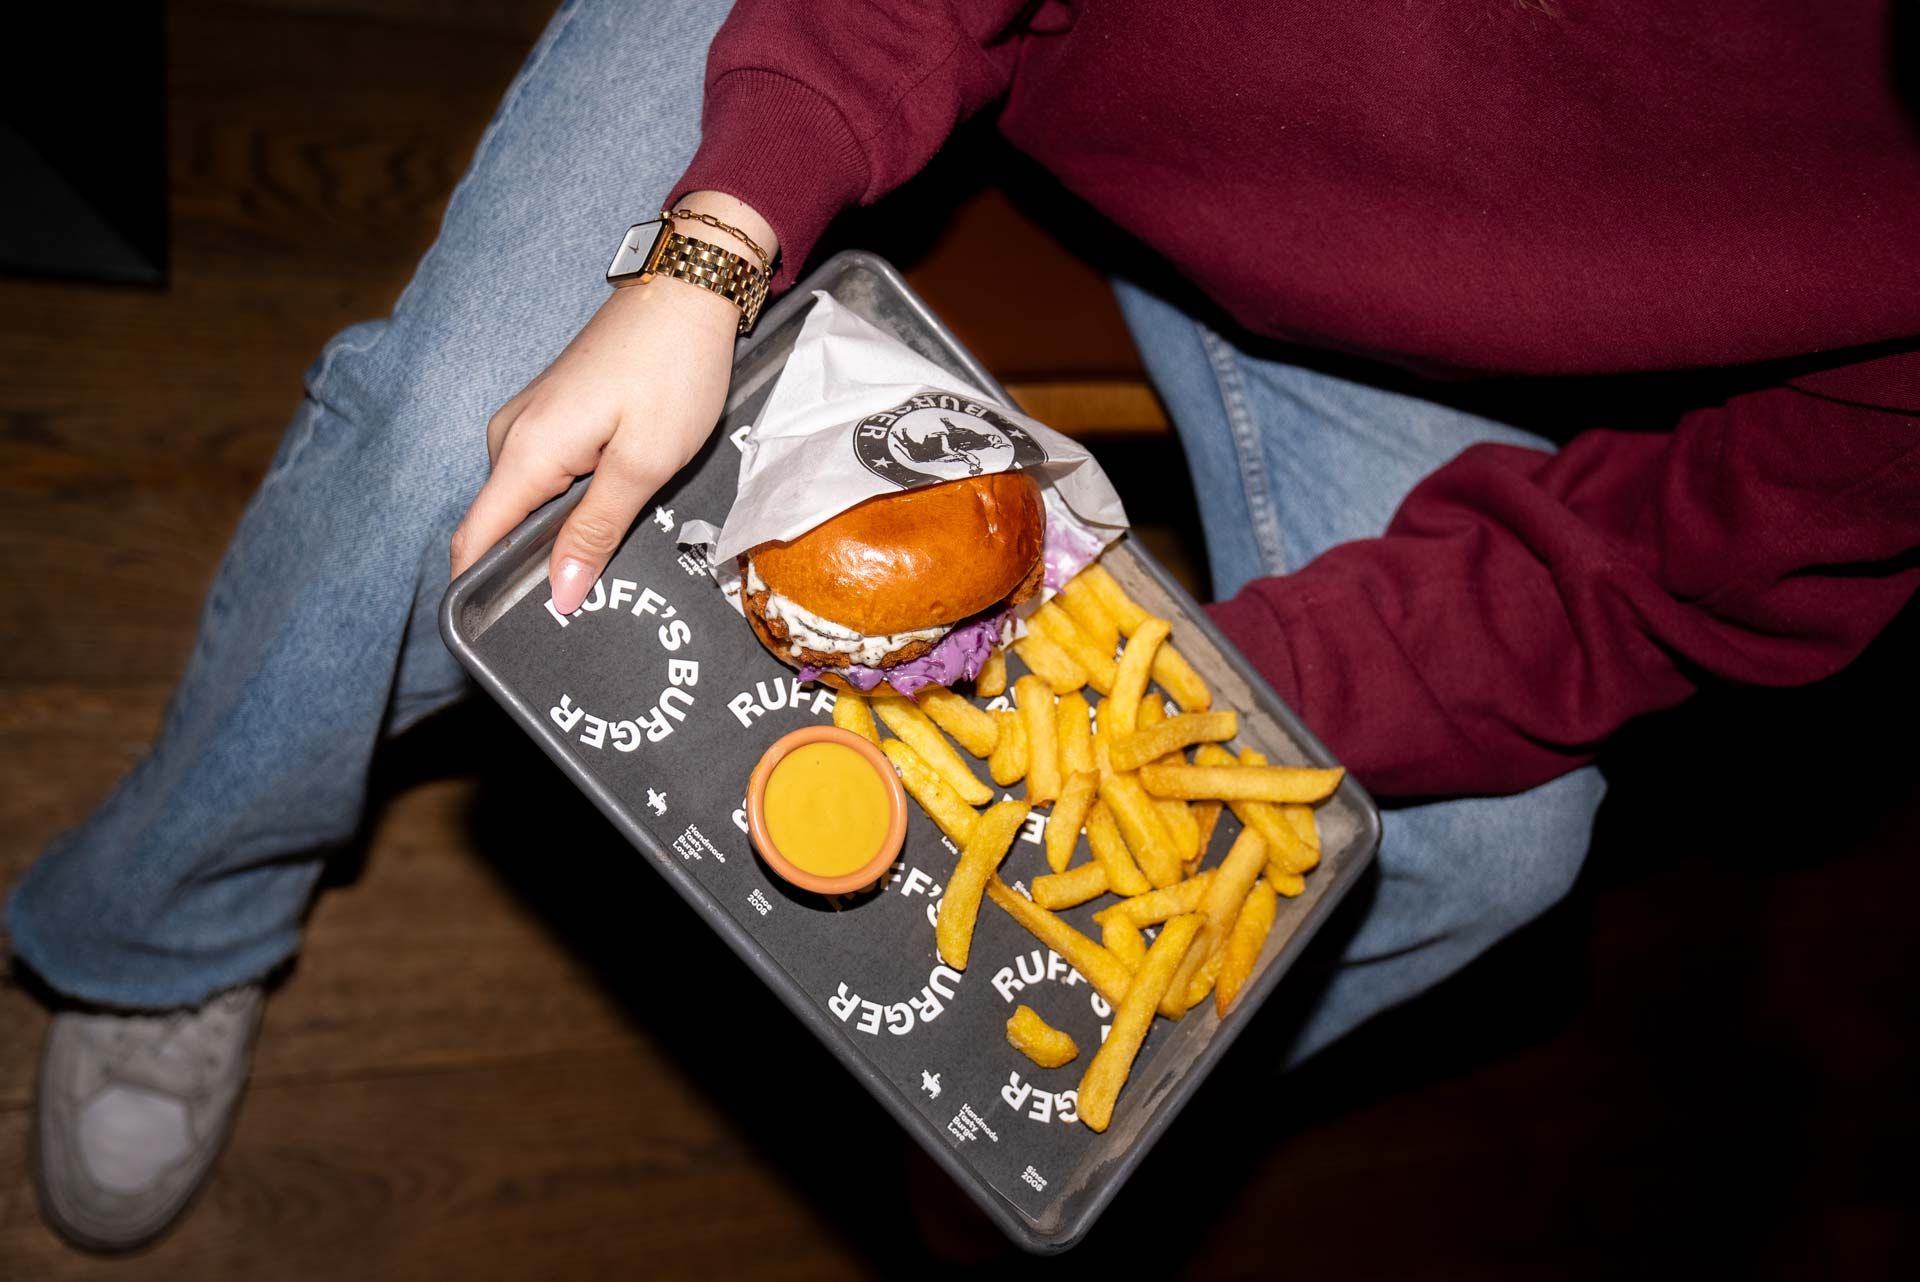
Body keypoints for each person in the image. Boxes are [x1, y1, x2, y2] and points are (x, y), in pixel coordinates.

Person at [12, 0, 1918, 1252]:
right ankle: (159, 932)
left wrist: (1190, 710)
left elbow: (1693, 563)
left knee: (1491, 852)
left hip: (1401, 312)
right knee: (453, 440)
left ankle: (986, 1079)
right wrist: (717, 241)